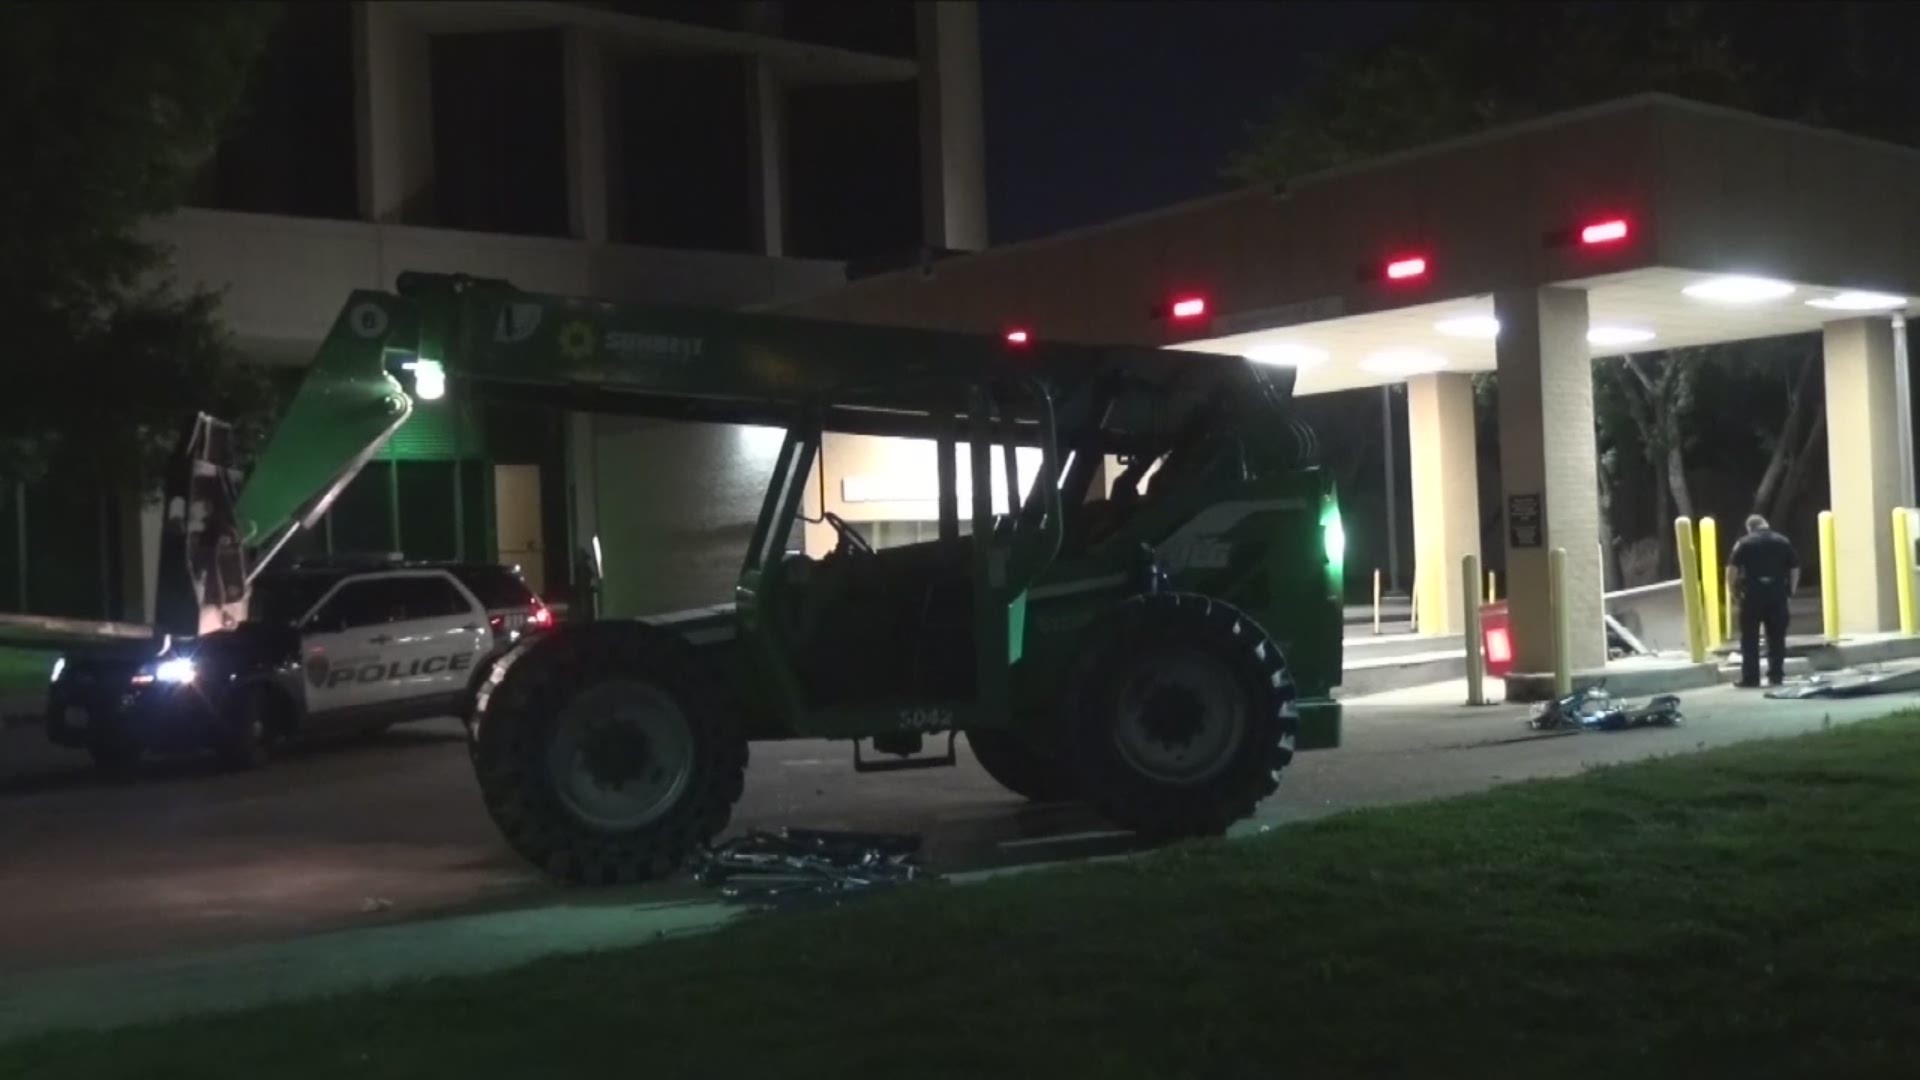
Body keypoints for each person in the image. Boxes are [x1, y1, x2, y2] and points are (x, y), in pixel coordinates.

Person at [1726, 514, 1800, 688]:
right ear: (1766, 525)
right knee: (1777, 637)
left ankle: (1751, 678)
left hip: (1752, 595)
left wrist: (1732, 592)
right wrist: (1791, 591)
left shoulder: (1744, 543)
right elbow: (1795, 568)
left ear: (1750, 528)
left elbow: (1732, 569)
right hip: (1777, 595)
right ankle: (1776, 676)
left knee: (1749, 638)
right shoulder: (1783, 541)